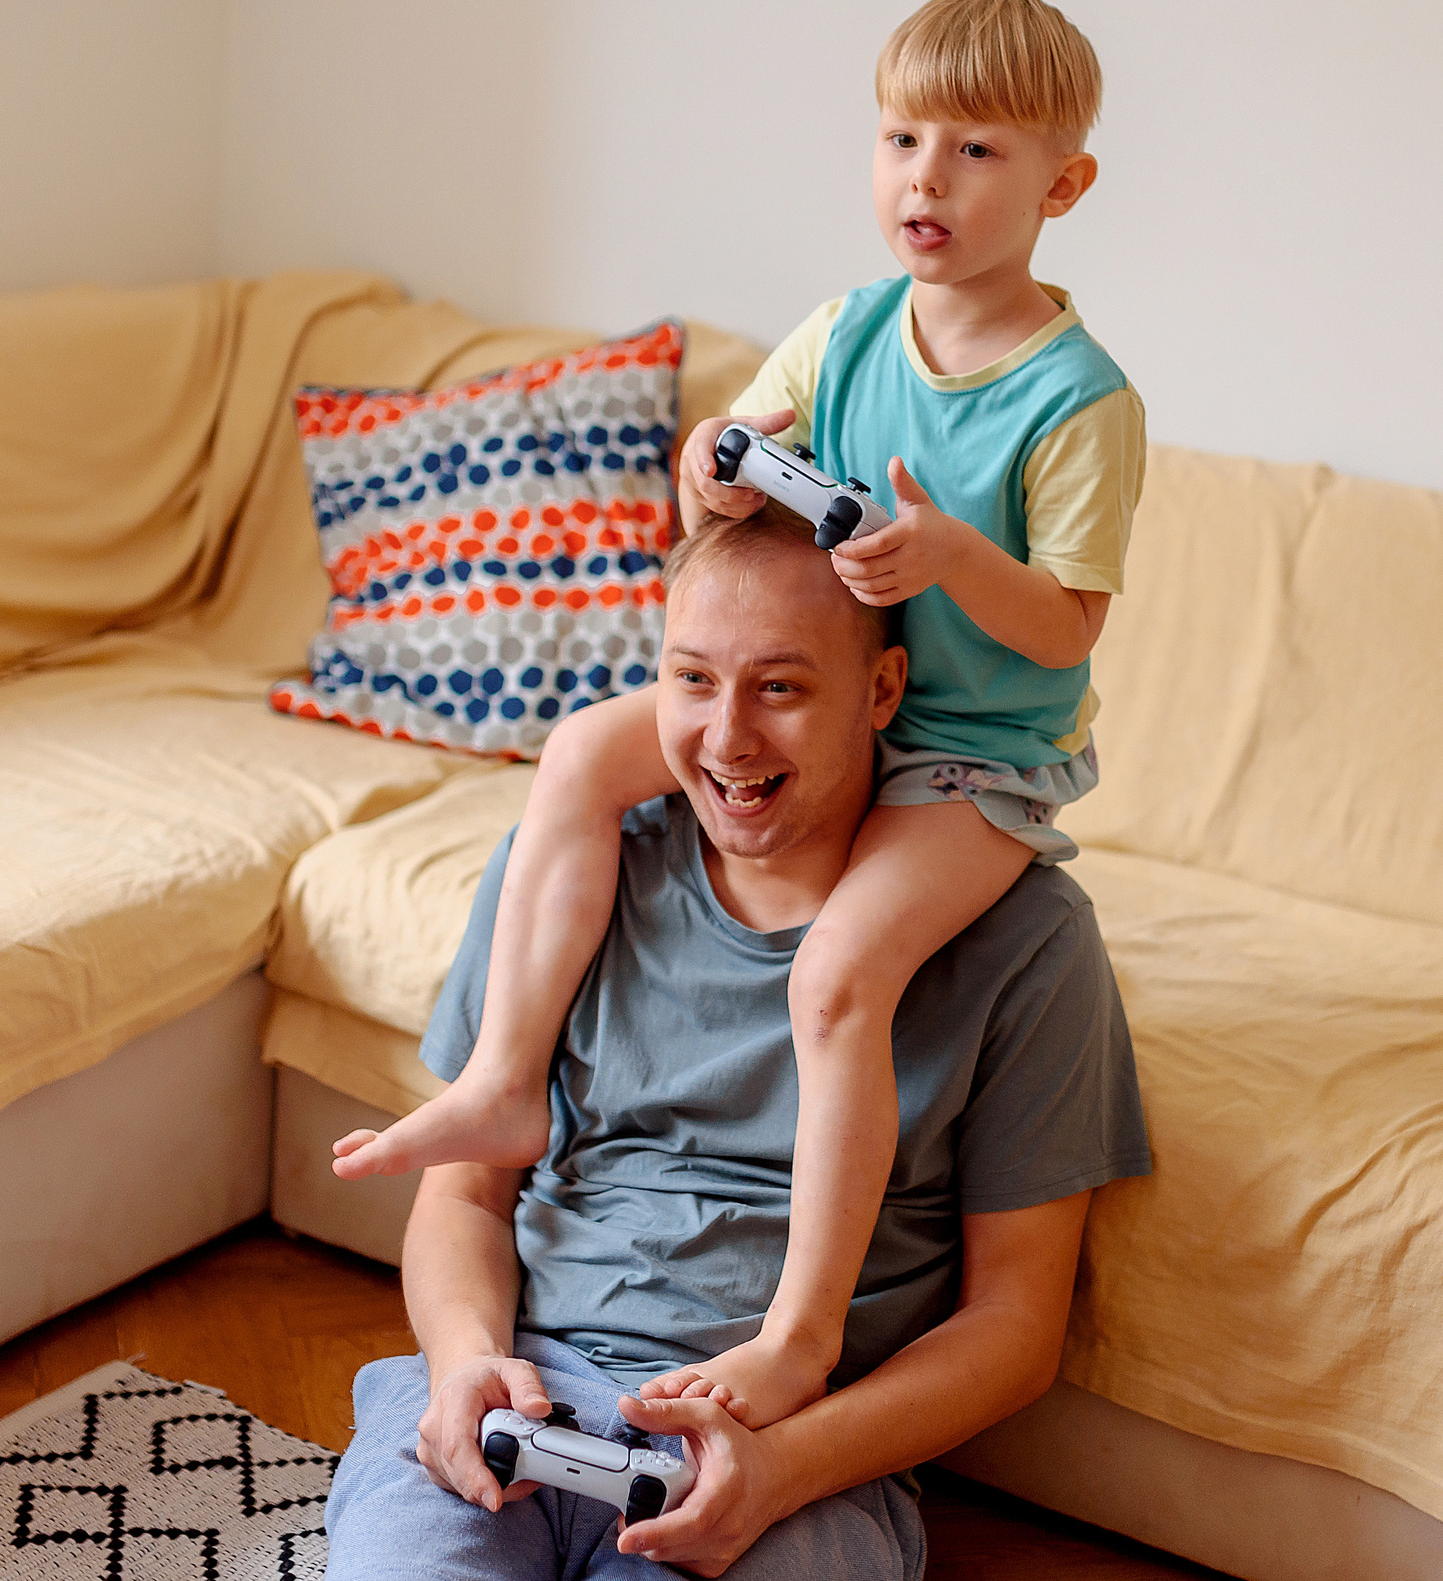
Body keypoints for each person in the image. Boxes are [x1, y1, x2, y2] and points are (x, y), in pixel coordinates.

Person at [332, 0, 1150, 1434]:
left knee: (836, 976)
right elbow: (729, 470)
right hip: (838, 708)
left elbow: (1070, 622)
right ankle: (512, 1079)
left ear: (1062, 184)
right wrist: (718, 462)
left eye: (978, 153)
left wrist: (955, 555)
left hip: (973, 757)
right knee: (584, 756)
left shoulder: (1078, 399)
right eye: (904, 139)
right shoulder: (845, 332)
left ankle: (797, 1331)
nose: (927, 180)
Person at [323, 506, 1150, 1579]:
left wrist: (788, 1466)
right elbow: (466, 1193)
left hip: (782, 1453)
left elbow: (1012, 1324)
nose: (726, 739)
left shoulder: (1025, 939)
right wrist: (464, 1361)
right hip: (519, 1394)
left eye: (780, 686)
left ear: (882, 690)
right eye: (692, 679)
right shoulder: (568, 871)